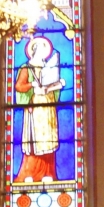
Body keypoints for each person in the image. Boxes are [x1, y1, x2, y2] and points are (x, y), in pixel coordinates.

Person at [15, 35, 64, 184]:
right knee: (34, 142)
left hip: (48, 107)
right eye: (42, 51)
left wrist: (57, 84)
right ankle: (29, 173)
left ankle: (47, 173)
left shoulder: (48, 68)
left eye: (45, 51)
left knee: (48, 141)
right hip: (34, 108)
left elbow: (52, 86)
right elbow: (19, 86)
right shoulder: (26, 68)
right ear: (35, 51)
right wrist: (32, 85)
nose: (44, 54)